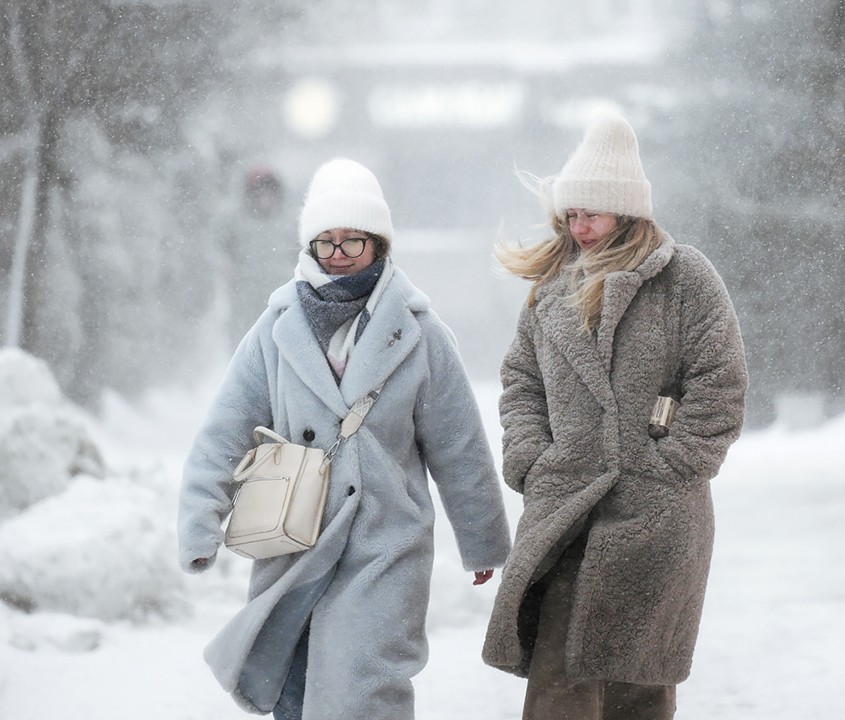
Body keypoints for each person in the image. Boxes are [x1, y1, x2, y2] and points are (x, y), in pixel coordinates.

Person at [178, 157, 512, 720]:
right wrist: (199, 522)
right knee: (294, 683)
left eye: (352, 241)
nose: (337, 255)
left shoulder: (419, 332)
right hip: (293, 537)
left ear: (379, 243)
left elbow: (458, 446)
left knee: (366, 688)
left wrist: (481, 540)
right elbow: (225, 431)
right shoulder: (276, 329)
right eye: (324, 242)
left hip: (386, 542)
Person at [482, 114, 748, 720]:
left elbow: (720, 383)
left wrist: (669, 466)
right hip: (566, 511)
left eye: (590, 216)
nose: (578, 228)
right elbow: (520, 380)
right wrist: (532, 459)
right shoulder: (550, 288)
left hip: (655, 518)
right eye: (570, 216)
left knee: (639, 691)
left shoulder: (686, 281)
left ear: (627, 213)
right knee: (558, 687)